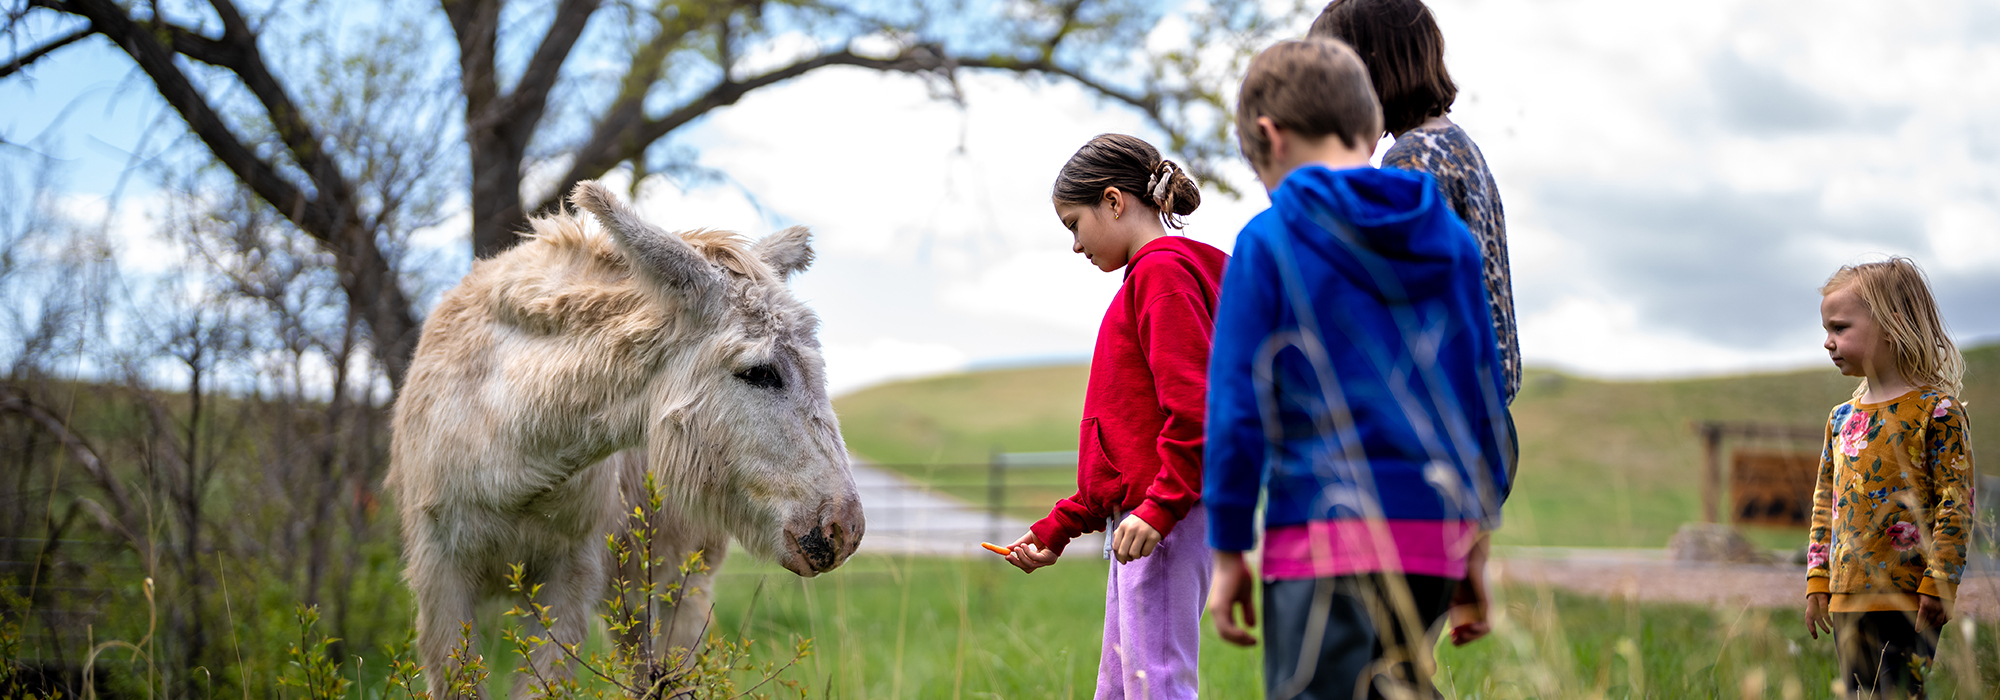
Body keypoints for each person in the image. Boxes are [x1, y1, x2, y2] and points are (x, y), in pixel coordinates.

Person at [1202, 39, 1510, 700]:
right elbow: (1480, 401)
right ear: (1372, 130)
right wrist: (1476, 544)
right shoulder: (1449, 241)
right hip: (1431, 540)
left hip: (1318, 538)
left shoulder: (1267, 240)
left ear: (1269, 137)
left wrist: (1228, 549)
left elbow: (1235, 409)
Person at [1310, 0, 1516, 646]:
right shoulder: (1457, 148)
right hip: (1469, 426)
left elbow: (1387, 319)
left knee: (1371, 651)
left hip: (1419, 439)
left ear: (1369, 72)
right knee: (1399, 654)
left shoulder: (1411, 164)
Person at [1000, 133, 1228, 700]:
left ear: (1113, 200)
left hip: (1165, 519)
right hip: (1145, 518)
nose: (1075, 246)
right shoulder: (1148, 280)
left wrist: (1161, 508)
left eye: (1074, 224)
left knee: (1156, 681)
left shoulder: (1163, 277)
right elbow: (1128, 447)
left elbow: (1196, 410)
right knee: (1123, 684)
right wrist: (1059, 528)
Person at [1805, 257, 1972, 699]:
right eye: (1827, 330)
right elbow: (1826, 503)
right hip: (1845, 598)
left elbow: (1956, 504)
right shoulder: (1841, 420)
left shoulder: (1938, 412)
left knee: (1897, 694)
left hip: (1907, 599)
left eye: (1840, 328)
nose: (1828, 342)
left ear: (1891, 326)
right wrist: (1817, 580)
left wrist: (1940, 582)